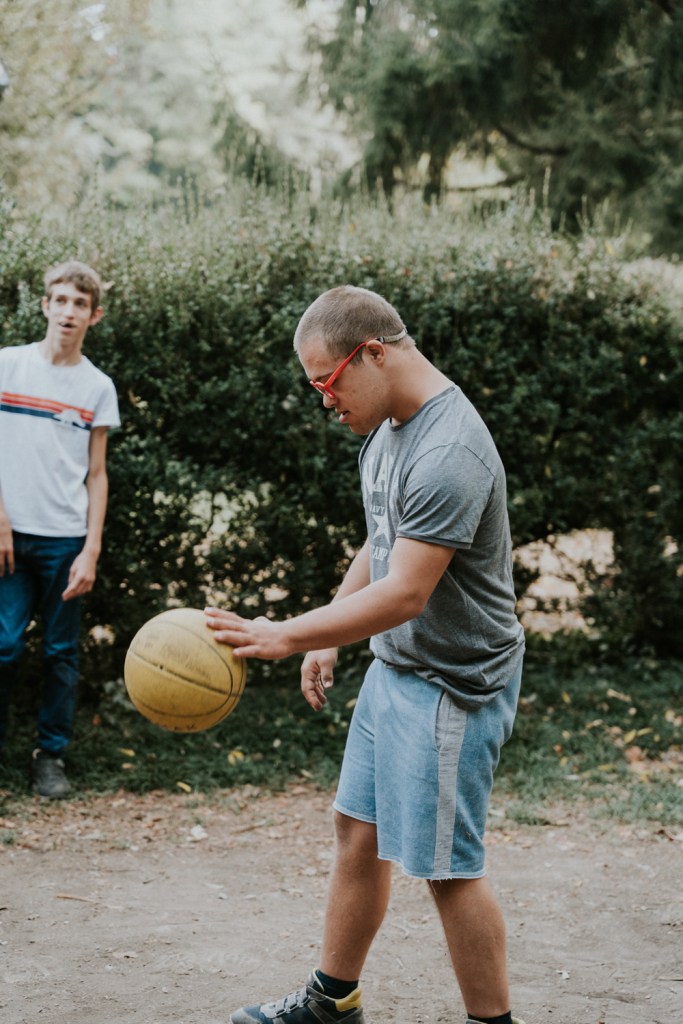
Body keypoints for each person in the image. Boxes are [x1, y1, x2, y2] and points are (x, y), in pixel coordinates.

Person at [205, 285, 527, 1024]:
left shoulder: (448, 449)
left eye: (327, 381)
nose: (324, 400)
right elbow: (385, 538)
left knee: (448, 871)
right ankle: (331, 1003)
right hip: (397, 669)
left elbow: (407, 590)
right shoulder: (389, 430)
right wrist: (328, 633)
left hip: (452, 684)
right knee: (358, 833)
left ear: (373, 354)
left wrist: (291, 632)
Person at [0, 260, 120, 798]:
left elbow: (97, 473)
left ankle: (50, 757)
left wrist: (90, 549)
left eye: (80, 304)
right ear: (45, 305)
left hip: (66, 541)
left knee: (60, 653)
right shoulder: (8, 365)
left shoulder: (97, 387)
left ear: (94, 315)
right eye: (62, 300)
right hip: (7, 536)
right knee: (3, 646)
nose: (69, 312)